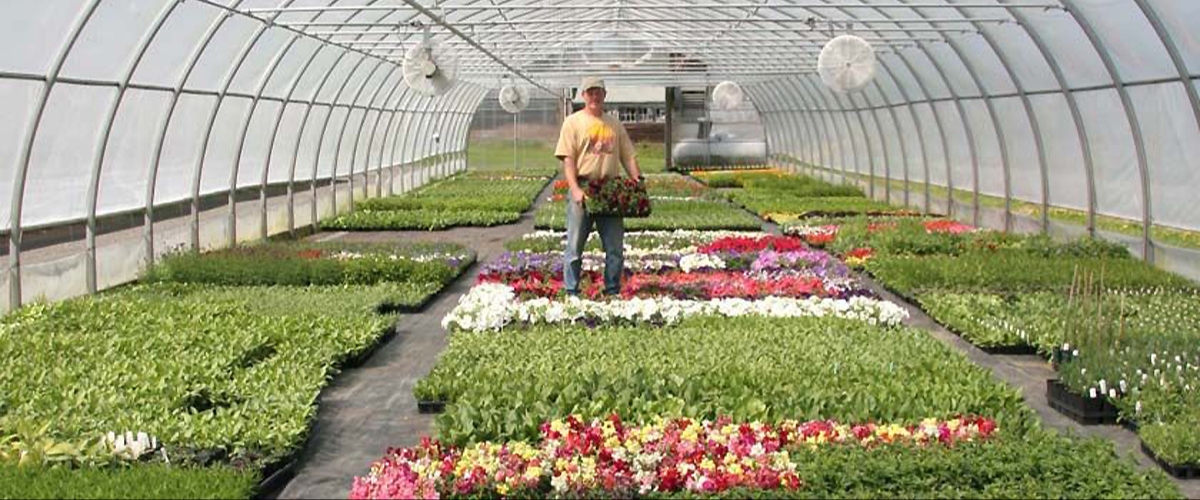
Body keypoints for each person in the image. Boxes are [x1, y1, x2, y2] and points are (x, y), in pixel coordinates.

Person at [554, 76, 643, 298]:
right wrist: (575, 189)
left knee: (614, 249)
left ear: (605, 95)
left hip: (609, 191)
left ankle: (612, 290)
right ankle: (571, 292)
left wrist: (638, 181)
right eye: (590, 92)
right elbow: (568, 160)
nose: (595, 96)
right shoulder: (573, 122)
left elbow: (628, 156)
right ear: (583, 95)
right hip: (584, 187)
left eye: (598, 92)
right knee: (574, 247)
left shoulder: (614, 124)